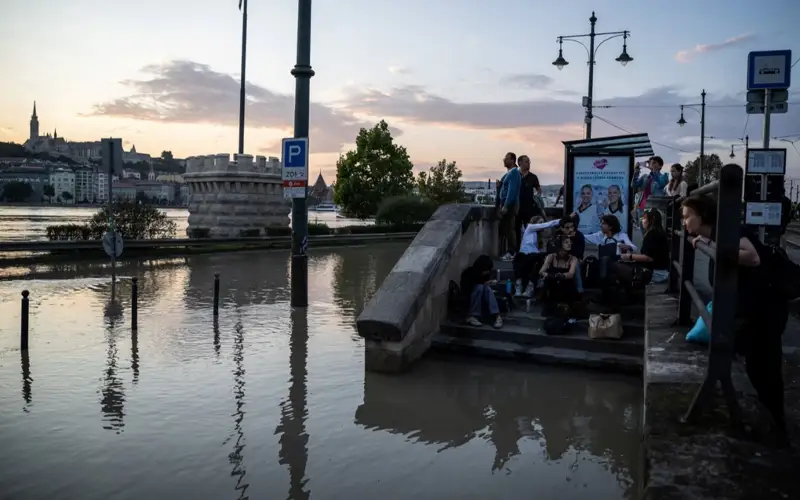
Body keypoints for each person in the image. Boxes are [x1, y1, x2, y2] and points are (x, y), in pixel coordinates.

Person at [682, 194, 789, 440]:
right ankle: (773, 423)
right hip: (755, 310)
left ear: (703, 216)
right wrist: (706, 243)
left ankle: (778, 429)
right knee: (756, 365)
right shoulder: (716, 236)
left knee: (764, 368)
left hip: (767, 309)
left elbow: (752, 257)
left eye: (687, 216)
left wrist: (709, 246)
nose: (684, 223)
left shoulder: (731, 232)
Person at [617, 208, 670, 284]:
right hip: (659, 271)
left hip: (655, 273)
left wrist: (629, 256)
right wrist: (630, 249)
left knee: (617, 267)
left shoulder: (652, 234)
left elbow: (649, 258)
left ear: (652, 220)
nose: (642, 220)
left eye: (644, 218)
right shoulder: (657, 232)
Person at [513, 215, 561, 297]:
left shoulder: (538, 236)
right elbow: (549, 224)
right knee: (519, 259)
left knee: (539, 260)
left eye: (542, 222)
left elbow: (539, 250)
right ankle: (518, 286)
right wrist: (561, 220)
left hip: (533, 256)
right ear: (535, 223)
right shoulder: (530, 227)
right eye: (540, 222)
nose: (541, 225)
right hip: (524, 255)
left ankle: (530, 287)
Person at [461, 254, 504, 329]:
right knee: (479, 287)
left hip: (481, 301)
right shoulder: (468, 273)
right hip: (470, 300)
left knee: (487, 288)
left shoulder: (484, 275)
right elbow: (466, 290)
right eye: (486, 270)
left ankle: (496, 316)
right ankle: (473, 316)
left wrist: (487, 283)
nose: (487, 272)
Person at [538, 235, 579, 308]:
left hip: (566, 284)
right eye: (566, 242)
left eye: (570, 242)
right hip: (552, 283)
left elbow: (571, 273)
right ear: (560, 244)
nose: (569, 244)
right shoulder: (551, 256)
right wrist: (548, 275)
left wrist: (562, 275)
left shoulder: (573, 258)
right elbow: (541, 271)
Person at [516, 155, 544, 252]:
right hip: (516, 208)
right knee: (516, 230)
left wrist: (537, 197)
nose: (529, 164)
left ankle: (531, 250)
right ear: (520, 163)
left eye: (529, 162)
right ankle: (517, 251)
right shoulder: (515, 175)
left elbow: (539, 190)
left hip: (529, 208)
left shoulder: (533, 177)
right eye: (527, 161)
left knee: (530, 230)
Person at [498, 152, 521, 261]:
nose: (504, 160)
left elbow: (512, 191)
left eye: (506, 158)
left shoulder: (514, 173)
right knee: (507, 229)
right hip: (508, 204)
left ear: (512, 160)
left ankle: (512, 252)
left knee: (510, 228)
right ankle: (509, 252)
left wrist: (506, 205)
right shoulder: (510, 173)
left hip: (510, 205)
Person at [632, 156, 669, 221]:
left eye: (654, 163)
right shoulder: (645, 176)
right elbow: (633, 185)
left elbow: (661, 184)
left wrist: (654, 171)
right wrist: (636, 170)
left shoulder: (664, 176)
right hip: (643, 206)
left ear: (660, 166)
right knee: (642, 225)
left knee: (655, 225)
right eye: (650, 163)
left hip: (657, 207)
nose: (651, 164)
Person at [561, 213, 586, 293]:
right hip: (561, 257)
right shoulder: (560, 234)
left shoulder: (579, 235)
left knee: (575, 264)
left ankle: (579, 290)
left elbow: (578, 253)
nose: (570, 228)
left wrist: (572, 239)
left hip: (575, 258)